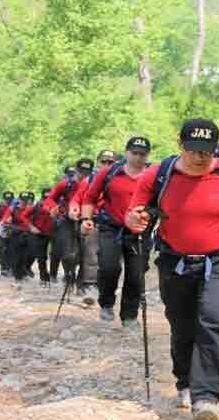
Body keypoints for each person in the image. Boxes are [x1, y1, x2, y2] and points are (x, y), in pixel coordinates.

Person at [126, 119, 219, 420]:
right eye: (193, 150)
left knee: (216, 321)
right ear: (181, 146)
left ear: (216, 149)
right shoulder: (158, 175)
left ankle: (205, 399)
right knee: (182, 326)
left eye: (206, 150)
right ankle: (185, 381)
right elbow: (136, 211)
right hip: (174, 261)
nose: (200, 156)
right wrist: (135, 220)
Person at [81, 138, 152, 327]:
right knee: (108, 267)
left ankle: (129, 316)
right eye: (134, 153)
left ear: (148, 155)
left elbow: (164, 203)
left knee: (136, 275)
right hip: (111, 228)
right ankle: (106, 303)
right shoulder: (109, 172)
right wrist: (86, 219)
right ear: (126, 152)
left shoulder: (154, 175)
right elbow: (89, 197)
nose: (138, 157)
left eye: (142, 154)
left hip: (140, 232)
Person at [69, 149, 117, 304]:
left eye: (110, 162)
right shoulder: (89, 180)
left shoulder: (120, 178)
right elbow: (76, 199)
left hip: (114, 224)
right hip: (92, 221)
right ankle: (90, 286)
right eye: (104, 161)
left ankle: (100, 287)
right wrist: (73, 209)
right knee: (91, 252)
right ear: (98, 162)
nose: (107, 165)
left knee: (110, 260)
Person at [44, 158, 94, 291]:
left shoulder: (94, 183)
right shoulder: (65, 184)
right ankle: (68, 276)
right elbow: (50, 198)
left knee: (87, 251)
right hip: (66, 220)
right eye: (81, 171)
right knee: (67, 252)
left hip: (86, 219)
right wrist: (53, 208)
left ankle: (81, 282)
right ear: (76, 170)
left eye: (87, 171)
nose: (84, 174)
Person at [2, 192, 35, 282]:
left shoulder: (32, 209)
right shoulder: (12, 209)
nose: (24, 201)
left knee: (28, 256)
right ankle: (17, 276)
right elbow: (5, 220)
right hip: (16, 234)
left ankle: (24, 272)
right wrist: (9, 223)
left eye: (26, 199)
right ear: (19, 199)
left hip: (29, 234)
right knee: (16, 256)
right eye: (23, 199)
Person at [29, 188, 55, 285]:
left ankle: (53, 275)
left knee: (56, 254)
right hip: (40, 234)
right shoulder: (37, 205)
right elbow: (25, 215)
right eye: (45, 196)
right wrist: (31, 227)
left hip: (54, 233)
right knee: (41, 257)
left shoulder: (57, 204)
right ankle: (43, 277)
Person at [0, 191, 14, 276]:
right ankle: (4, 268)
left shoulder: (15, 207)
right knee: (2, 249)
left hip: (13, 231)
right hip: (1, 231)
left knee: (12, 249)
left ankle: (11, 267)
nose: (8, 201)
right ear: (3, 198)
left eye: (10, 199)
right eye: (6, 199)